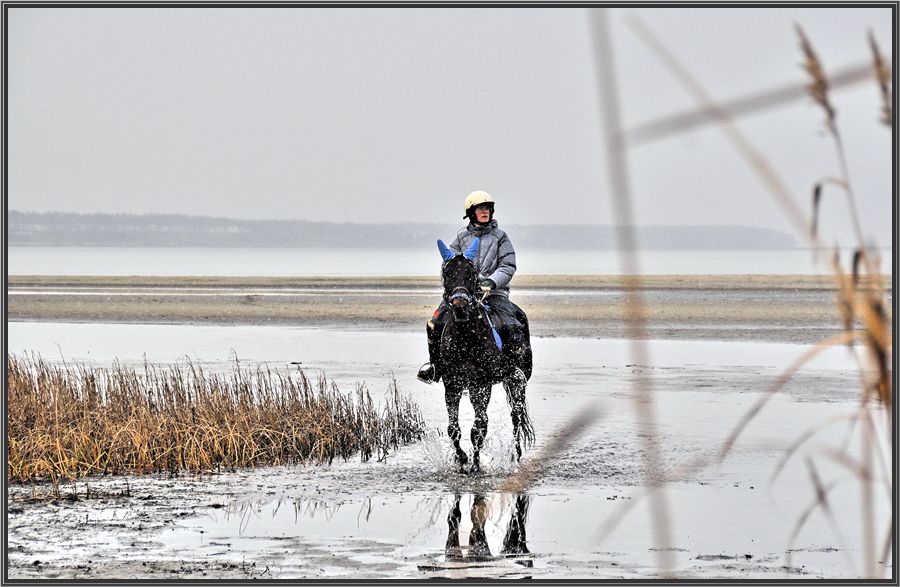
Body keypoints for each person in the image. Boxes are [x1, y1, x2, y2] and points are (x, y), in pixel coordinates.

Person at [417, 190, 524, 384]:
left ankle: (514, 366)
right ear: (471, 212)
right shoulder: (460, 238)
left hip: (495, 293)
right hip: (463, 295)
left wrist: (492, 281)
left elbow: (508, 265)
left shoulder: (501, 237)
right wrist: (456, 288)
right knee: (435, 324)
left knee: (511, 324)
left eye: (488, 208)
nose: (485, 212)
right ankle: (434, 367)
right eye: (480, 209)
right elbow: (448, 267)